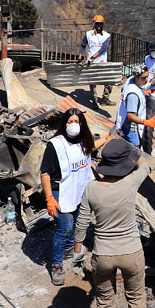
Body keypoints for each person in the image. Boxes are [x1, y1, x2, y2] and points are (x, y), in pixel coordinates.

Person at [74, 139, 155, 308]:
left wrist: (77, 253)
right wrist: (132, 153)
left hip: (103, 254)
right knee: (136, 299)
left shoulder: (92, 188)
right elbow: (145, 165)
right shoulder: (131, 181)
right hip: (131, 252)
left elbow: (81, 224)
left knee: (104, 301)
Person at [40, 108, 103, 286]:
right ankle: (57, 264)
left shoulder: (84, 140)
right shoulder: (56, 145)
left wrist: (106, 138)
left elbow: (89, 149)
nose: (73, 125)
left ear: (81, 123)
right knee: (65, 227)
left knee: (77, 223)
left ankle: (71, 248)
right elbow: (45, 173)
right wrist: (49, 198)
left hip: (78, 189)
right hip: (61, 190)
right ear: (64, 124)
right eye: (70, 122)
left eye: (77, 121)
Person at [114, 65, 155, 149]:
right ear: (136, 77)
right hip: (131, 129)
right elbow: (130, 116)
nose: (146, 80)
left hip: (125, 124)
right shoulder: (133, 95)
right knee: (134, 149)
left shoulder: (130, 80)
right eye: (143, 78)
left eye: (147, 76)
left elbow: (123, 89)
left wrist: (143, 91)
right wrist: (145, 122)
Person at [79, 14, 113, 106]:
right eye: (97, 24)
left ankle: (105, 97)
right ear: (94, 24)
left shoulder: (106, 36)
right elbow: (83, 45)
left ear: (103, 25)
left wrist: (93, 57)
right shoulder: (88, 34)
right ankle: (94, 98)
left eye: (100, 24)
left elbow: (103, 48)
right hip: (91, 61)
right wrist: (80, 56)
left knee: (109, 79)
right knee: (92, 81)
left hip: (102, 61)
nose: (99, 26)